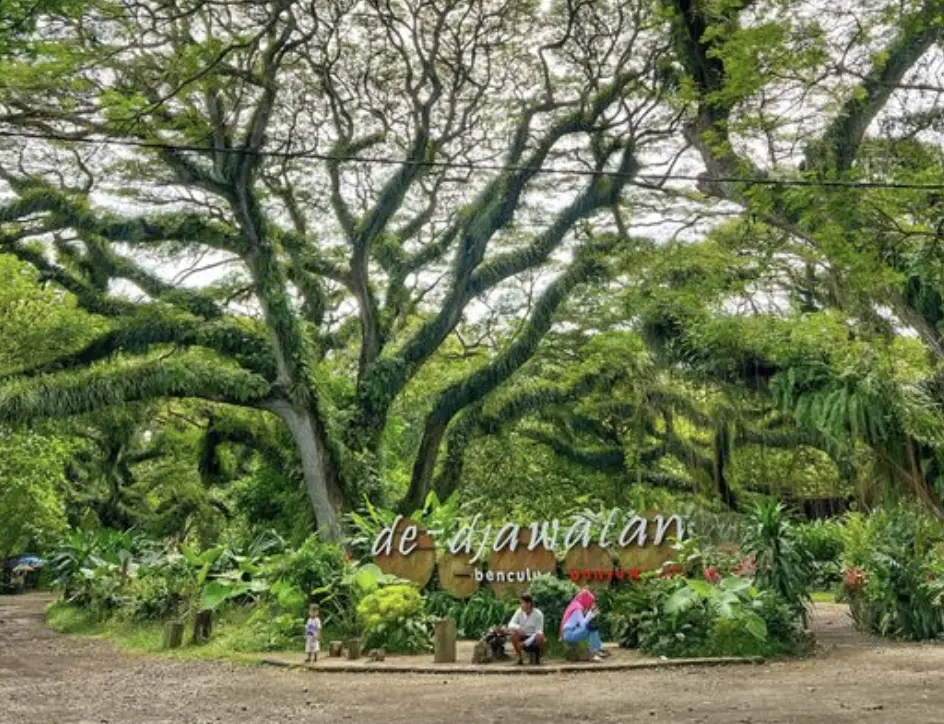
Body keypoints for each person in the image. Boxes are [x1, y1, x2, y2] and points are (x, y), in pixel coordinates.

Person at [561, 588, 607, 662]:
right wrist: (591, 613)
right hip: (569, 634)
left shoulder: (575, 605)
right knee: (591, 627)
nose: (589, 604)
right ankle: (594, 654)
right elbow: (583, 624)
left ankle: (597, 651)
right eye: (590, 602)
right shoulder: (577, 608)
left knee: (593, 627)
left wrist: (591, 614)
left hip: (571, 631)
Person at [504, 592, 545, 665]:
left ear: (528, 604)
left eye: (522, 603)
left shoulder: (538, 614)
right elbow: (510, 624)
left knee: (540, 636)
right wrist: (518, 628)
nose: (521, 605)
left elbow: (539, 631)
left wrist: (525, 643)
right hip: (523, 635)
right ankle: (519, 658)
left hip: (533, 637)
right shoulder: (519, 611)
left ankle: (538, 657)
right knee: (514, 634)